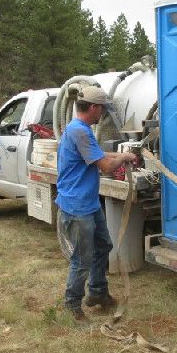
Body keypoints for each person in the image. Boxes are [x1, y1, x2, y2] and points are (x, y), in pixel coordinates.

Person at [56, 85, 137, 320]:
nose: (102, 114)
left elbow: (99, 156)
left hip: (88, 204)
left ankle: (98, 293)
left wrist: (126, 155)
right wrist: (123, 156)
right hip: (77, 207)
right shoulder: (79, 131)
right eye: (101, 109)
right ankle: (72, 305)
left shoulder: (80, 130)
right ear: (93, 107)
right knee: (82, 259)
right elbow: (106, 165)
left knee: (103, 246)